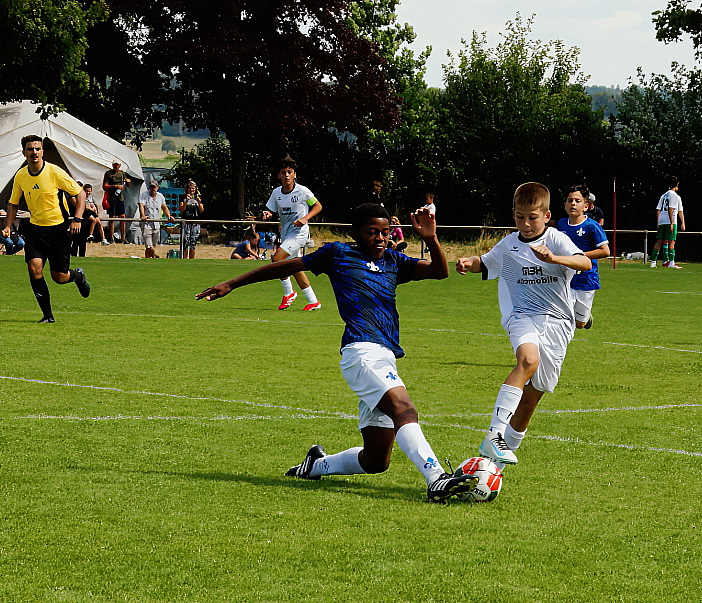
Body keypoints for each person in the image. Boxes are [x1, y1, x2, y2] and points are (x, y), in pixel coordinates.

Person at [197, 203, 479, 504]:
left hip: (385, 355)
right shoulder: (338, 254)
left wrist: (431, 238)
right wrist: (232, 283)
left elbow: (439, 272)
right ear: (355, 233)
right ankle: (436, 478)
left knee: (375, 461)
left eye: (385, 232)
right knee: (404, 410)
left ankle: (315, 465)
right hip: (361, 352)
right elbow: (287, 266)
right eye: (372, 232)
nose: (380, 238)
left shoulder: (393, 261)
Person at [455, 182, 591, 466]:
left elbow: (585, 264)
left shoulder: (555, 239)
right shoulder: (509, 245)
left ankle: (495, 467)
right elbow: (486, 263)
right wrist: (469, 262)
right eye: (520, 217)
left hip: (558, 323)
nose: (526, 224)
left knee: (531, 399)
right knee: (528, 360)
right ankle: (494, 434)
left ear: (546, 216)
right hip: (522, 316)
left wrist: (553, 258)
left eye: (532, 217)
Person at [2, 134, 91, 323]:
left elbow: (80, 194)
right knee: (34, 269)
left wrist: (77, 219)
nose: (34, 152)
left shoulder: (54, 172)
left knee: (59, 277)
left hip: (58, 231)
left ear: (42, 151)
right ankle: (47, 316)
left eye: (37, 148)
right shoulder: (21, 176)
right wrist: (8, 226)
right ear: (24, 152)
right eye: (30, 149)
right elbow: (13, 203)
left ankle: (77, 275)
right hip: (35, 231)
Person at [260, 157, 322, 310]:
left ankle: (289, 293)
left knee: (277, 259)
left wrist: (305, 219)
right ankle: (313, 301)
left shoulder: (302, 191)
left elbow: (318, 206)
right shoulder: (276, 193)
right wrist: (267, 214)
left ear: (295, 174)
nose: (287, 175)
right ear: (278, 175)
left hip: (299, 234)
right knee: (294, 267)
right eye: (283, 172)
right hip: (286, 234)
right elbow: (270, 210)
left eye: (290, 172)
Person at [557, 184, 610, 330]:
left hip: (586, 279)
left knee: (579, 324)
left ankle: (586, 318)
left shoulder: (591, 226)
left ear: (586, 206)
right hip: (565, 277)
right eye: (570, 200)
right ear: (565, 205)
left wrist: (579, 256)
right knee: (563, 315)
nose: (573, 204)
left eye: (577, 201)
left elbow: (605, 251)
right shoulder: (561, 225)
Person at [651, 176, 684, 268]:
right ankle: (671, 262)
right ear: (677, 185)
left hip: (662, 220)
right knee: (672, 241)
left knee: (659, 241)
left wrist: (658, 222)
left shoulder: (663, 195)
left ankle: (653, 262)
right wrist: (672, 223)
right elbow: (671, 209)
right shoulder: (674, 196)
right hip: (670, 220)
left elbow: (658, 210)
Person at [139, 180, 172, 257]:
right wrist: (143, 215)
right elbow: (141, 205)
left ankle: (148, 259)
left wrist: (169, 216)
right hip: (147, 224)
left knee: (152, 246)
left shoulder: (160, 196)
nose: (152, 188)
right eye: (151, 186)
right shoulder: (144, 195)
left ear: (157, 187)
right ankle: (155, 256)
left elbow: (164, 207)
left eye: (154, 187)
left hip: (156, 224)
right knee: (149, 246)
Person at [102, 160, 131, 242]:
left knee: (122, 217)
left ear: (120, 165)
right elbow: (104, 186)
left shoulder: (122, 174)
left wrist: (128, 182)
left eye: (117, 165)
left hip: (120, 198)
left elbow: (128, 185)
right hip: (111, 198)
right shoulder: (108, 174)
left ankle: (123, 238)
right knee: (112, 217)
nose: (116, 166)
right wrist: (115, 186)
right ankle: (111, 237)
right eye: (115, 164)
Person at [179, 180, 203, 259]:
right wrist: (186, 202)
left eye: (193, 188)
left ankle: (192, 259)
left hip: (196, 222)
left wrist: (199, 202)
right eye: (190, 188)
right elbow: (181, 209)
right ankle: (184, 259)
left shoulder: (198, 197)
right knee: (185, 242)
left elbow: (201, 210)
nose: (191, 190)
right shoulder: (183, 197)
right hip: (186, 221)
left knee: (193, 242)